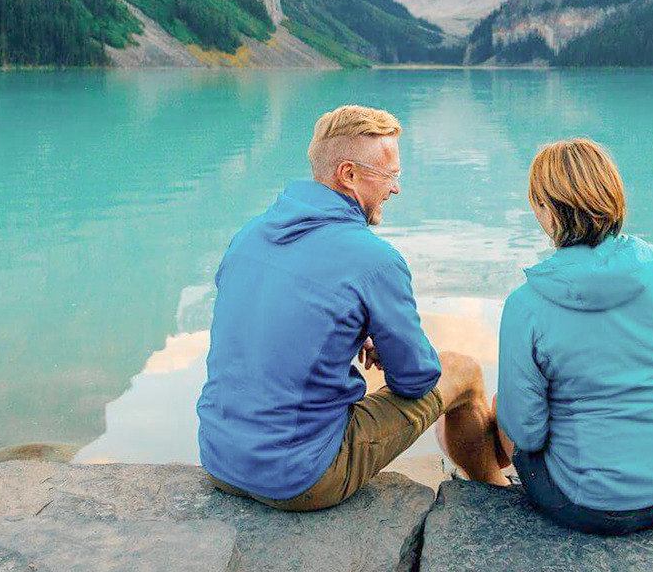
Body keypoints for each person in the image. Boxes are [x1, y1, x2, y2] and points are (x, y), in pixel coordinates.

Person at [197, 104, 509, 511]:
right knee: (462, 371)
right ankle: (494, 489)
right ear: (348, 174)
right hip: (299, 479)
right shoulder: (374, 260)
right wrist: (388, 345)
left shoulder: (248, 235)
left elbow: (266, 325)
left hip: (219, 460)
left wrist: (351, 329)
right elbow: (415, 381)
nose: (395, 189)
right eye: (390, 175)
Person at [496, 138, 653, 535]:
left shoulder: (526, 305)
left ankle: (488, 490)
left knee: (502, 403)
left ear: (545, 209)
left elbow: (526, 432)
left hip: (591, 504)